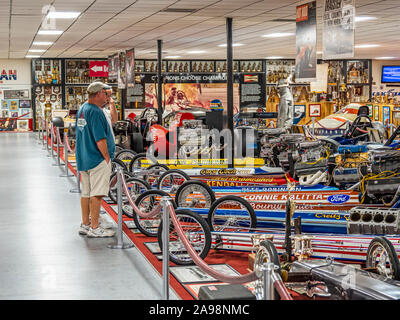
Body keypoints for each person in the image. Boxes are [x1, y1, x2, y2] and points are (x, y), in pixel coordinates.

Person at [76, 82, 116, 237]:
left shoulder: (83, 108)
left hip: (84, 157)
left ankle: (85, 224)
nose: (107, 98)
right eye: (106, 94)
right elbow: (100, 139)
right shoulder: (96, 112)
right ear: (99, 93)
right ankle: (94, 227)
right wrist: (106, 157)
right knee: (97, 194)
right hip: (97, 158)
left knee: (86, 192)